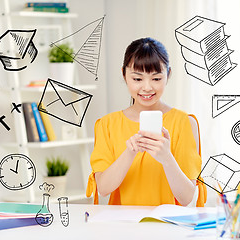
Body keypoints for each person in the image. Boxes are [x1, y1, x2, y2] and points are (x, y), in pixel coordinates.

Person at [86, 37, 207, 206]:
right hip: (123, 227)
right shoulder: (107, 125)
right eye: (137, 79)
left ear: (168, 75)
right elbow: (104, 189)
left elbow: (186, 198)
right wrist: (130, 152)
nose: (147, 87)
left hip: (169, 227)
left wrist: (166, 157)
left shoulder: (184, 123)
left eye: (156, 79)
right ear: (124, 74)